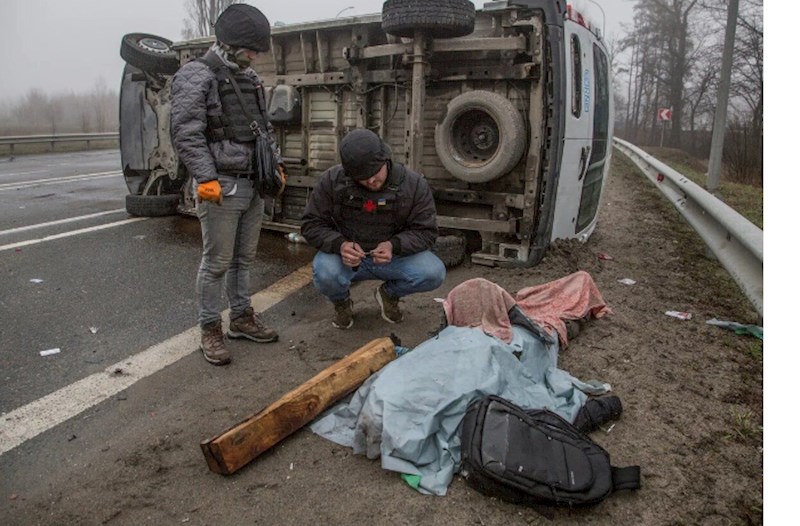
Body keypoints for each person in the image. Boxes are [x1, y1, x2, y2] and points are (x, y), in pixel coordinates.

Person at [170, 3, 284, 365]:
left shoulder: (250, 79)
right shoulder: (195, 75)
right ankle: (209, 328)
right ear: (230, 42)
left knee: (243, 259)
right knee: (217, 262)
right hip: (221, 185)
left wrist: (275, 165)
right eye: (250, 48)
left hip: (253, 184)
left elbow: (263, 130)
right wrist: (205, 177)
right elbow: (186, 133)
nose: (254, 55)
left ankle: (241, 318)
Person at [301, 128, 446, 329]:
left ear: (385, 160)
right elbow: (311, 224)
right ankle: (342, 303)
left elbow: (427, 232)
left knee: (433, 272)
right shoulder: (332, 181)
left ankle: (389, 295)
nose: (370, 181)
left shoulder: (413, 185)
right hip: (346, 259)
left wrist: (394, 245)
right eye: (362, 177)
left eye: (375, 173)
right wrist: (340, 245)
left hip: (392, 258)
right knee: (325, 273)